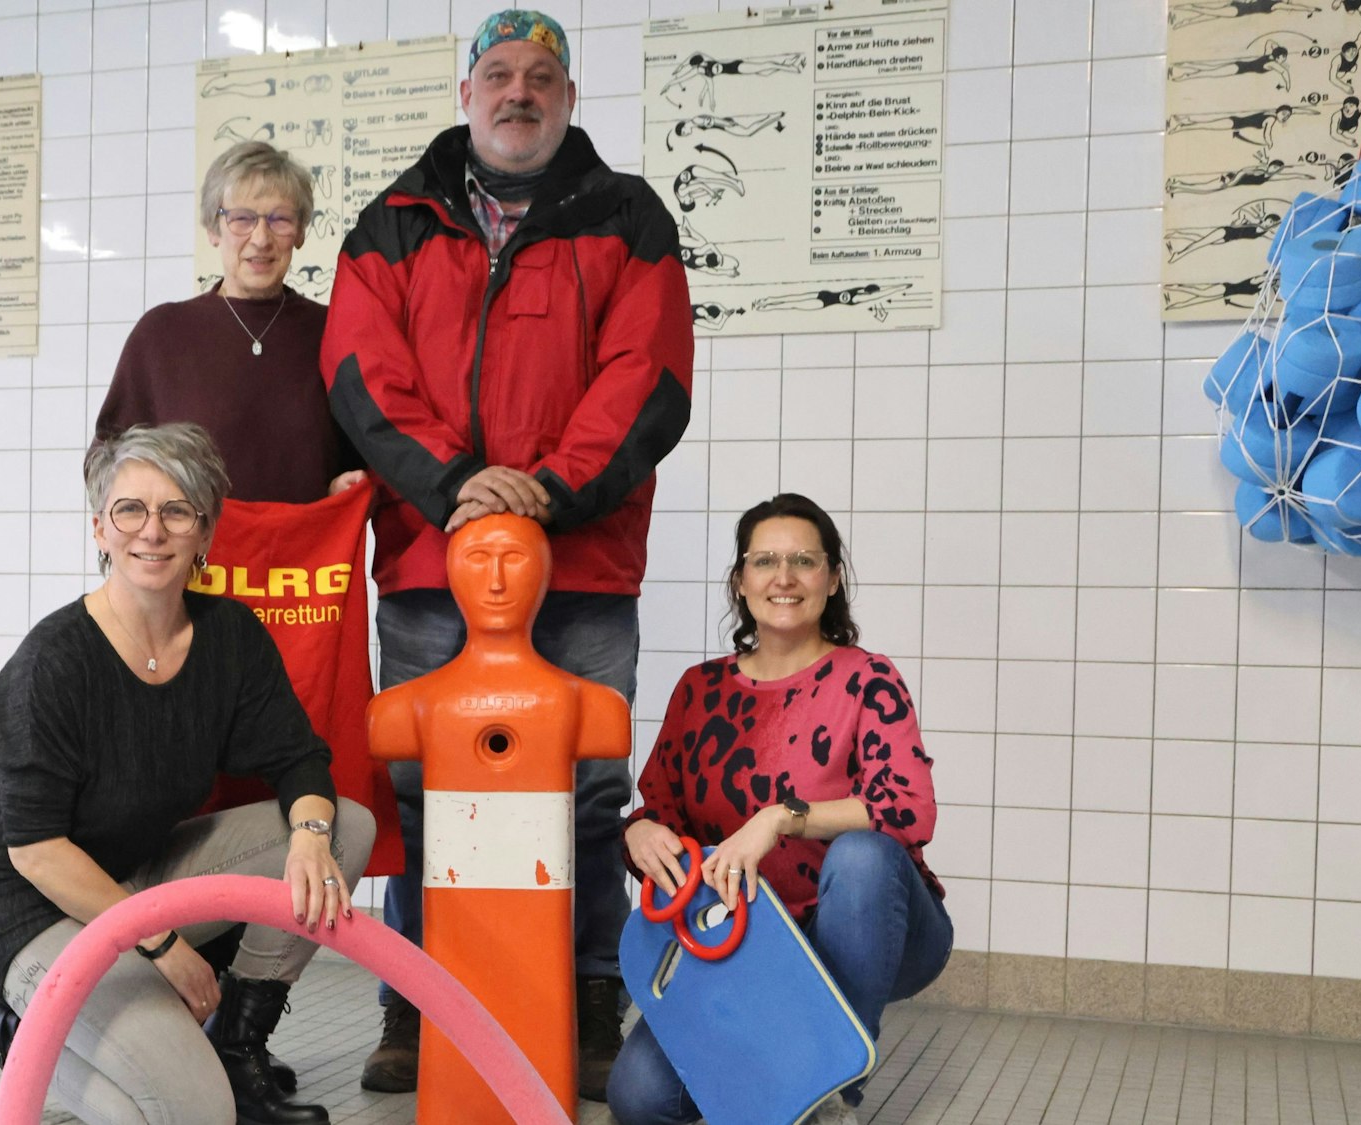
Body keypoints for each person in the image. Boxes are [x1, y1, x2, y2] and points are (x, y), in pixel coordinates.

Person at [322, 7, 693, 1101]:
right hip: (434, 563)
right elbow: (358, 371)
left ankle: (582, 1003)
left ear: (569, 99)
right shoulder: (390, 222)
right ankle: (415, 1001)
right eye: (497, 73)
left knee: (581, 790)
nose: (517, 92)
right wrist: (453, 490)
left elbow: (649, 373)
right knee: (424, 788)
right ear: (465, 94)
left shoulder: (628, 217)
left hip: (578, 563)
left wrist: (547, 493)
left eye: (540, 76)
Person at [0, 423, 377, 1125]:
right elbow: (34, 849)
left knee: (346, 828)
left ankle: (237, 1046)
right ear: (100, 528)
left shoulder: (228, 637)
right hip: (33, 904)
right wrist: (162, 946)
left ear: (205, 531)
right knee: (186, 1112)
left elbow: (296, 756)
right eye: (130, 509)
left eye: (177, 509)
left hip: (137, 873)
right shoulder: (53, 664)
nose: (151, 531)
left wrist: (309, 835)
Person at [608, 494, 951, 1125]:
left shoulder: (866, 678)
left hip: (871, 927)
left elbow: (908, 810)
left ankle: (826, 1093)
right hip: (751, 942)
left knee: (864, 858)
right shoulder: (699, 688)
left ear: (832, 578)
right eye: (765, 560)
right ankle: (780, 1072)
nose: (784, 577)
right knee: (641, 1100)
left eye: (803, 560)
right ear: (741, 581)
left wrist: (779, 818)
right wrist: (641, 833)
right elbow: (657, 811)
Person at [97, 141, 362, 504]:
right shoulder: (162, 335)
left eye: (280, 219)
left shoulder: (333, 332)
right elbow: (106, 459)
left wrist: (343, 490)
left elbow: (365, 454)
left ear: (300, 233)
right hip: (196, 558)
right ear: (213, 229)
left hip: (304, 557)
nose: (261, 238)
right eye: (242, 219)